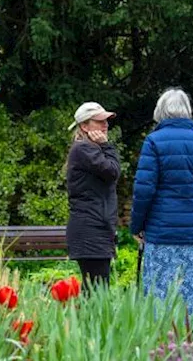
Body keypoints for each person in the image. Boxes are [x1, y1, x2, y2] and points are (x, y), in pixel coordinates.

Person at [130, 88, 193, 322]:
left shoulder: (153, 142)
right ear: (188, 112)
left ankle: (160, 353)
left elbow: (144, 191)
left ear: (159, 112)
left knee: (159, 305)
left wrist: (136, 227)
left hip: (161, 235)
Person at [65, 101, 121, 289]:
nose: (105, 125)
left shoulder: (88, 149)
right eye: (99, 121)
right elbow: (113, 171)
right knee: (97, 293)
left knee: (95, 292)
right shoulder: (84, 149)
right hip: (91, 230)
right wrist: (107, 146)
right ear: (84, 126)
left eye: (106, 120)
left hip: (95, 228)